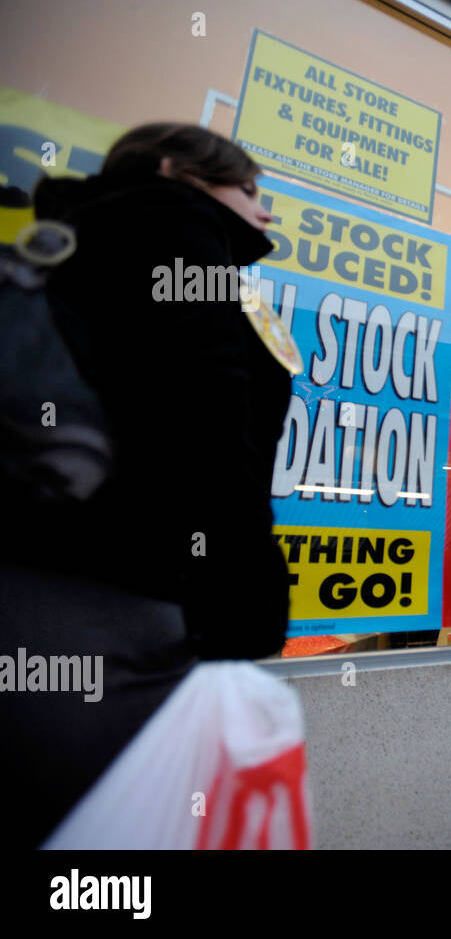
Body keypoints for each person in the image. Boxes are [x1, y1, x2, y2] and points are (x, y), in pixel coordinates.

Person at [1, 123, 293, 847]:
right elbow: (205, 425)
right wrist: (245, 599)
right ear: (178, 171)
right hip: (126, 603)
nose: (266, 210)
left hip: (50, 595)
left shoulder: (89, 235)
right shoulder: (177, 226)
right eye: (250, 188)